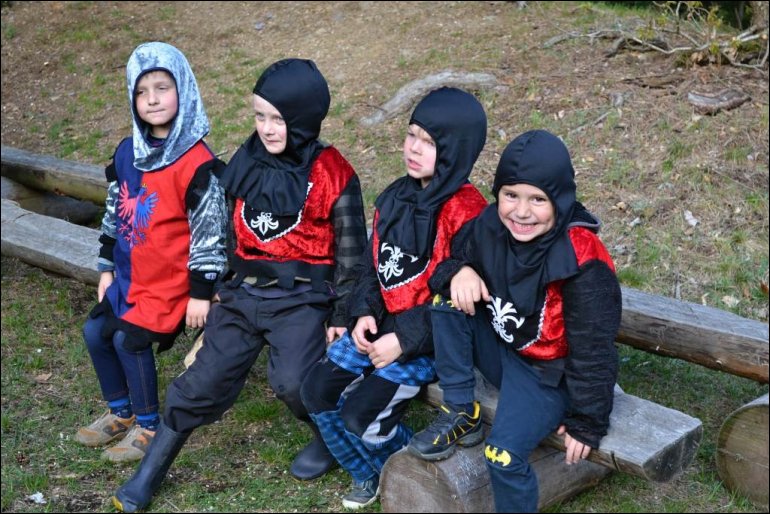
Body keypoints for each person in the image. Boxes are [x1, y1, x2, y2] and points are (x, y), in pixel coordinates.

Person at [111, 58, 368, 513]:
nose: (267, 128)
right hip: (243, 294)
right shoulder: (247, 159)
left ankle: (329, 439)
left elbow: (352, 253)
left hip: (302, 299)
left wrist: (341, 314)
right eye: (260, 116)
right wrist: (217, 285)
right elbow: (227, 230)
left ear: (304, 117)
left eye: (279, 119)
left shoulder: (333, 173)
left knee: (294, 383)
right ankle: (148, 474)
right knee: (197, 383)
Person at [407, 130, 622, 512]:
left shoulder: (581, 259)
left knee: (502, 456)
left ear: (560, 198)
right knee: (448, 300)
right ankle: (460, 410)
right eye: (511, 195)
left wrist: (587, 422)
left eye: (538, 199)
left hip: (548, 376)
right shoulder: (490, 224)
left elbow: (594, 350)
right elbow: (445, 266)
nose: (521, 212)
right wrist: (460, 272)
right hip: (504, 346)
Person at [301, 87, 489, 510]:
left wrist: (402, 340)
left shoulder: (468, 213)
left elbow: (457, 307)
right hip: (381, 325)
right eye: (411, 135)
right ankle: (367, 474)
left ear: (455, 151)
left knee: (361, 417)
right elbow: (374, 266)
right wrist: (363, 312)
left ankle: (413, 475)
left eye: (429, 142)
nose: (414, 148)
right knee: (316, 390)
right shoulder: (394, 196)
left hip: (430, 342)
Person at [75, 41, 227, 463]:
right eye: (142, 91)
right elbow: (114, 210)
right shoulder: (129, 153)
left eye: (162, 87)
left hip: (170, 285)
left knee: (129, 341)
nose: (152, 99)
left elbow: (210, 234)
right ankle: (120, 411)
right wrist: (106, 267)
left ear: (184, 90)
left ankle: (148, 425)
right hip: (130, 276)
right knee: (95, 332)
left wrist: (201, 292)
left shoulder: (197, 164)